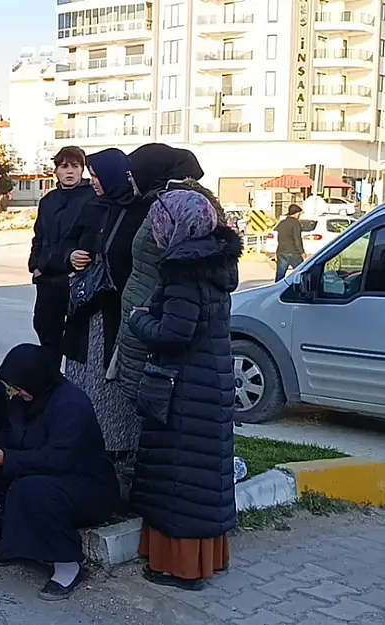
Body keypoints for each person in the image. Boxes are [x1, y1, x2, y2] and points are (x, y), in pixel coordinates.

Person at [128, 190, 240, 590]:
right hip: (211, 386)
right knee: (204, 478)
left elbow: (175, 333)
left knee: (179, 479)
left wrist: (139, 320)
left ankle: (179, 568)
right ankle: (210, 559)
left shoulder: (182, 270)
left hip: (185, 389)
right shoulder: (215, 264)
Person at [0, 344, 119, 601]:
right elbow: (11, 436)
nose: (14, 392)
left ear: (35, 379)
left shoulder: (71, 405)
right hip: (46, 472)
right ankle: (11, 544)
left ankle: (68, 564)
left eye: (18, 387)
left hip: (87, 486)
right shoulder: (24, 399)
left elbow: (58, 459)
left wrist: (5, 458)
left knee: (33, 490)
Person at [114, 144, 212, 452]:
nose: (129, 180)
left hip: (151, 325)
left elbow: (177, 319)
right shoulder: (158, 203)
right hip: (143, 321)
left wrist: (143, 318)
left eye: (133, 173)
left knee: (159, 427)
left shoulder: (179, 208)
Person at [62, 148, 148, 455]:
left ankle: (115, 451)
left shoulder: (139, 211)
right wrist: (70, 257)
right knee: (80, 382)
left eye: (97, 176)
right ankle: (79, 444)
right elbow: (67, 242)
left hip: (116, 314)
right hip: (84, 314)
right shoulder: (93, 206)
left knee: (109, 387)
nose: (92, 181)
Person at [29, 147, 96, 369]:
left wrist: (71, 260)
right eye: (64, 166)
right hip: (48, 278)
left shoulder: (91, 198)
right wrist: (35, 265)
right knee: (46, 334)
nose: (70, 172)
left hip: (74, 278)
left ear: (82, 169)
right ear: (56, 171)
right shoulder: (48, 200)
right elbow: (39, 235)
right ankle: (49, 386)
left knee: (75, 342)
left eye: (75, 166)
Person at [274, 204, 306, 281]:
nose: (299, 215)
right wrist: (302, 252)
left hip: (281, 251)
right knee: (300, 273)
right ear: (296, 213)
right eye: (299, 213)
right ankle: (299, 289)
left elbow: (279, 238)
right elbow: (297, 239)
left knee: (280, 274)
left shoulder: (282, 223)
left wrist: (276, 251)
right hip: (294, 252)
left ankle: (277, 290)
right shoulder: (295, 223)